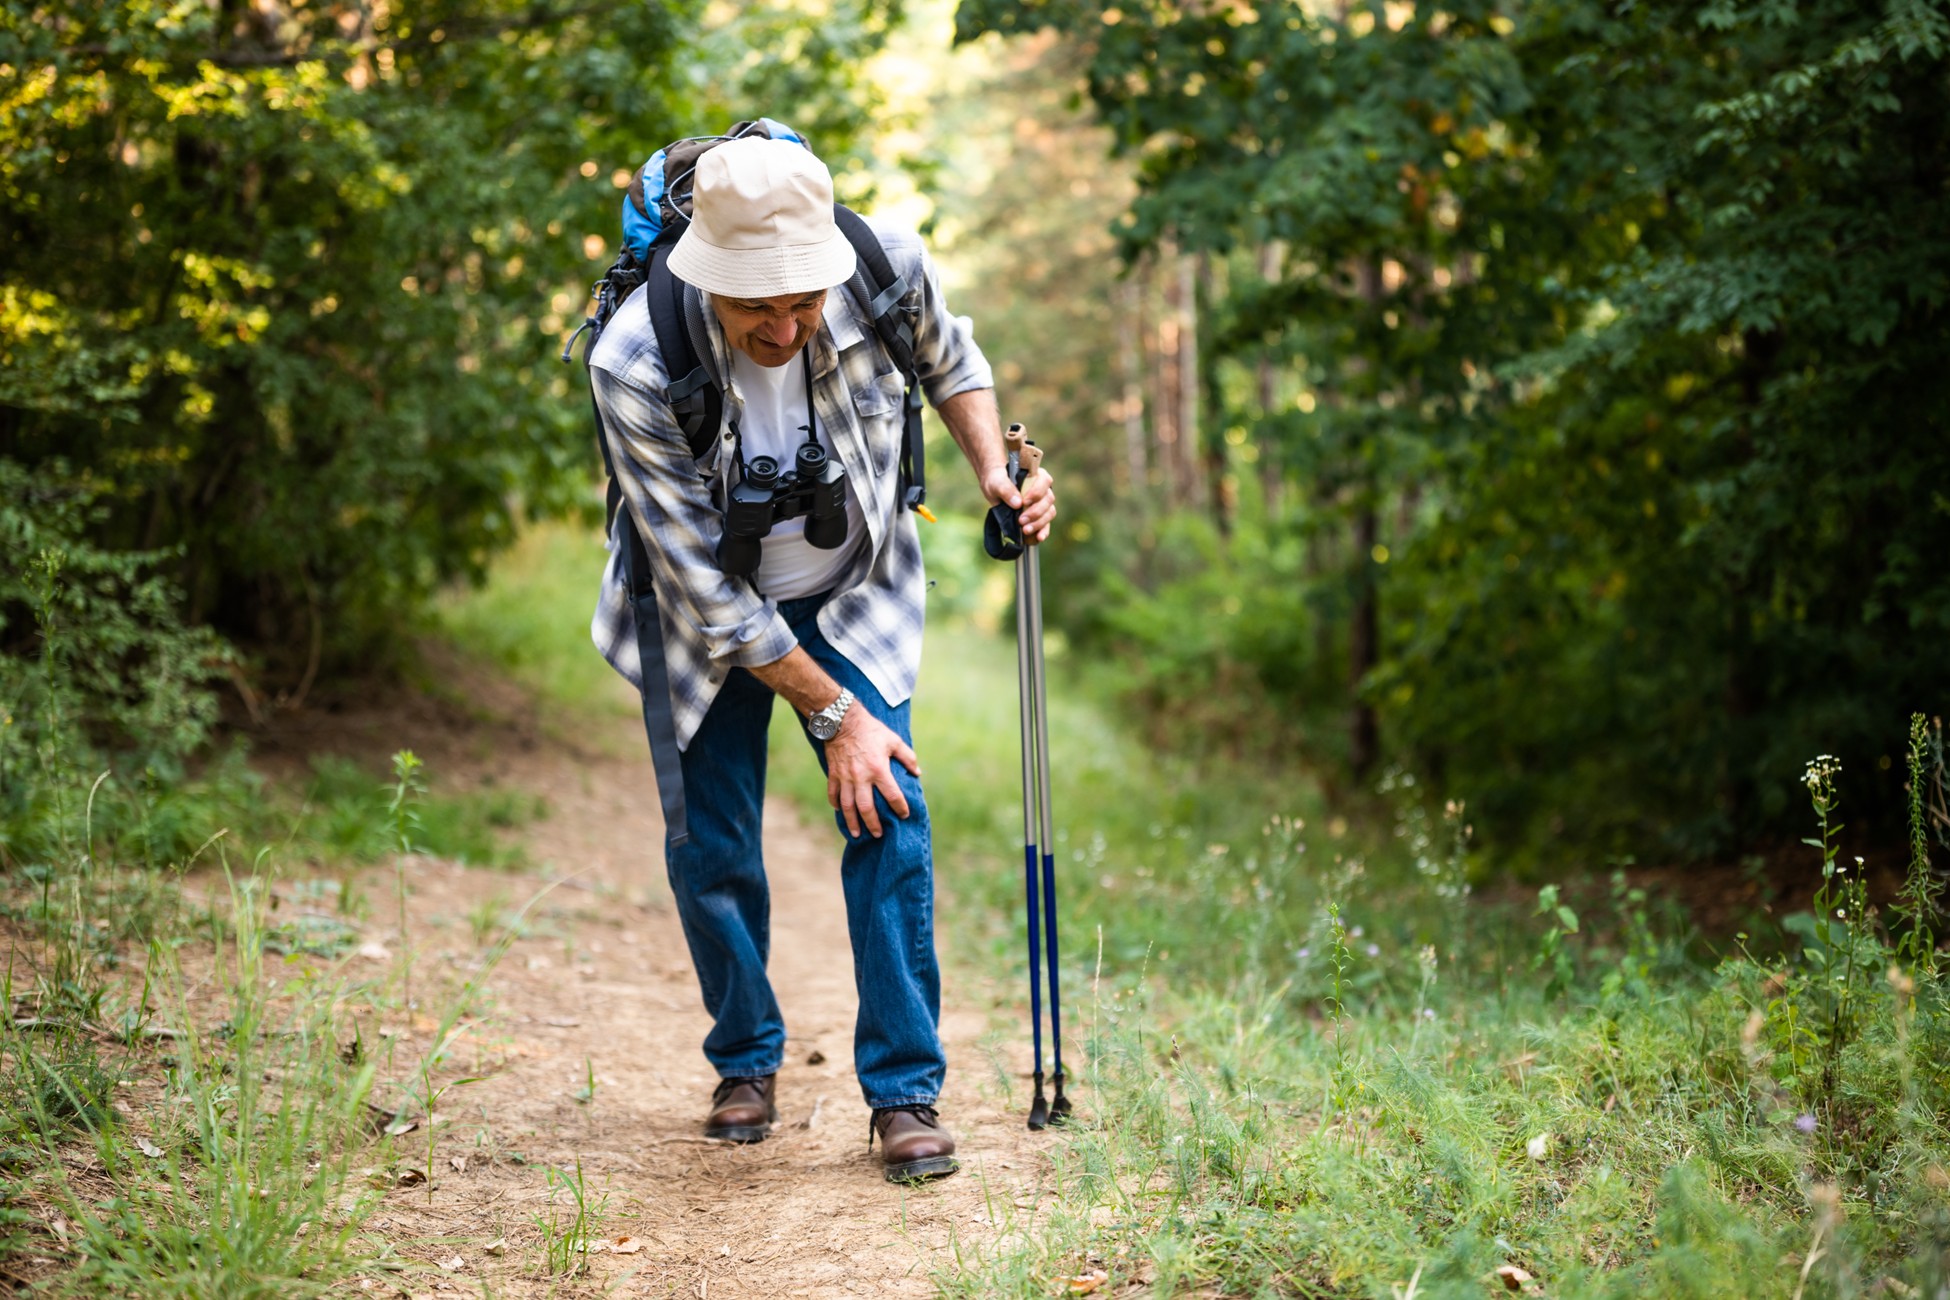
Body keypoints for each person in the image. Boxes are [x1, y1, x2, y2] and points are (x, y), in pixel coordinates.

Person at [586, 136, 1055, 1182]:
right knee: (714, 845)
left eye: (802, 302)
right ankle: (745, 1058)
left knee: (890, 806)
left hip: (857, 591)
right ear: (708, 272)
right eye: (759, 308)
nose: (786, 327)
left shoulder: (884, 264)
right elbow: (707, 594)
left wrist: (993, 475)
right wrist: (831, 713)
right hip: (703, 617)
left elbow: (955, 363)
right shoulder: (632, 359)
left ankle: (904, 1091)